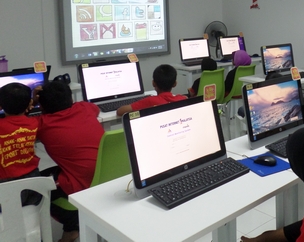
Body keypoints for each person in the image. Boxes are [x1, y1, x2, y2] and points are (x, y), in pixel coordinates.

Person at [36, 80, 105, 242]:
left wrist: (31, 104)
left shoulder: (41, 124)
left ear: (42, 106)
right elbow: (95, 109)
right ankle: (72, 228)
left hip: (83, 184)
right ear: (72, 99)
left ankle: (72, 225)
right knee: (51, 172)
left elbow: (20, 125)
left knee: (35, 187)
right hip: (108, 175)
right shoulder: (85, 108)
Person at [0, 82, 42, 206]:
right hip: (34, 181)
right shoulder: (34, 123)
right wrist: (33, 102)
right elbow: (19, 122)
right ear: (29, 104)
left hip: (6, 185)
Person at [117, 64, 187, 116]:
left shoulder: (150, 101)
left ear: (153, 83)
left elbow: (120, 111)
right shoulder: (182, 99)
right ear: (175, 84)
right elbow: (185, 97)